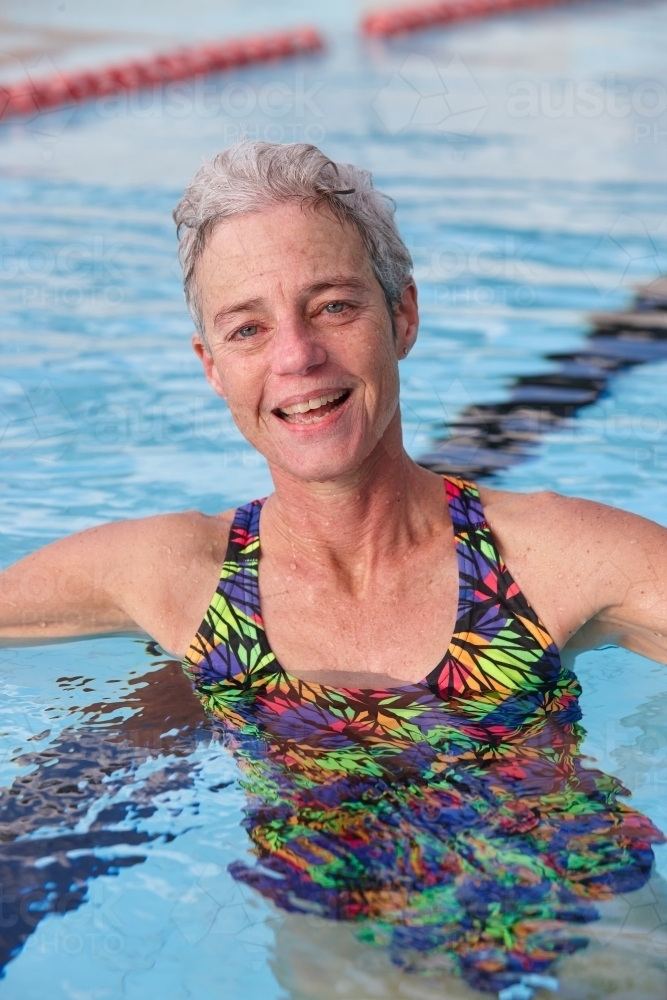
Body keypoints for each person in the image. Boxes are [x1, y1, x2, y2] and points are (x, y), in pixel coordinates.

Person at [0, 142, 665, 996]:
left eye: (333, 306)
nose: (296, 356)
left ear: (403, 316)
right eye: (248, 328)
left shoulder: (552, 558)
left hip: (589, 909)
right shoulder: (181, 575)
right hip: (348, 929)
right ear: (211, 366)